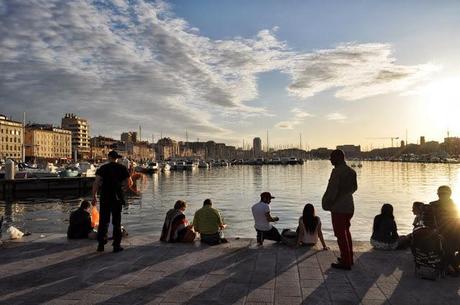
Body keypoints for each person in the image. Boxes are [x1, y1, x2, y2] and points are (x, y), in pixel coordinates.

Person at [322, 149, 357, 270]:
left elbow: (332, 190)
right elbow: (354, 188)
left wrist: (327, 203)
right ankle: (348, 257)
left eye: (332, 157)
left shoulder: (337, 172)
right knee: (346, 232)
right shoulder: (351, 172)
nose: (330, 159)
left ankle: (345, 262)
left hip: (339, 208)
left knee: (340, 234)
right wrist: (345, 195)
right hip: (349, 206)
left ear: (338, 158)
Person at [92, 150, 131, 253]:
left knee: (103, 221)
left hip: (105, 197)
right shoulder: (122, 168)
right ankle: (116, 245)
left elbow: (96, 182)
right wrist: (123, 189)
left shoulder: (103, 168)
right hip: (117, 198)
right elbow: (129, 182)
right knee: (116, 222)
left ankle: (101, 244)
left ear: (108, 157)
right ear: (117, 158)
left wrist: (94, 196)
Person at [429, 186, 460, 274]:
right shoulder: (431, 206)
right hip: (440, 235)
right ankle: (450, 263)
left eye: (443, 193)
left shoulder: (455, 207)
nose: (440, 195)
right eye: (440, 193)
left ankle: (451, 263)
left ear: (449, 194)